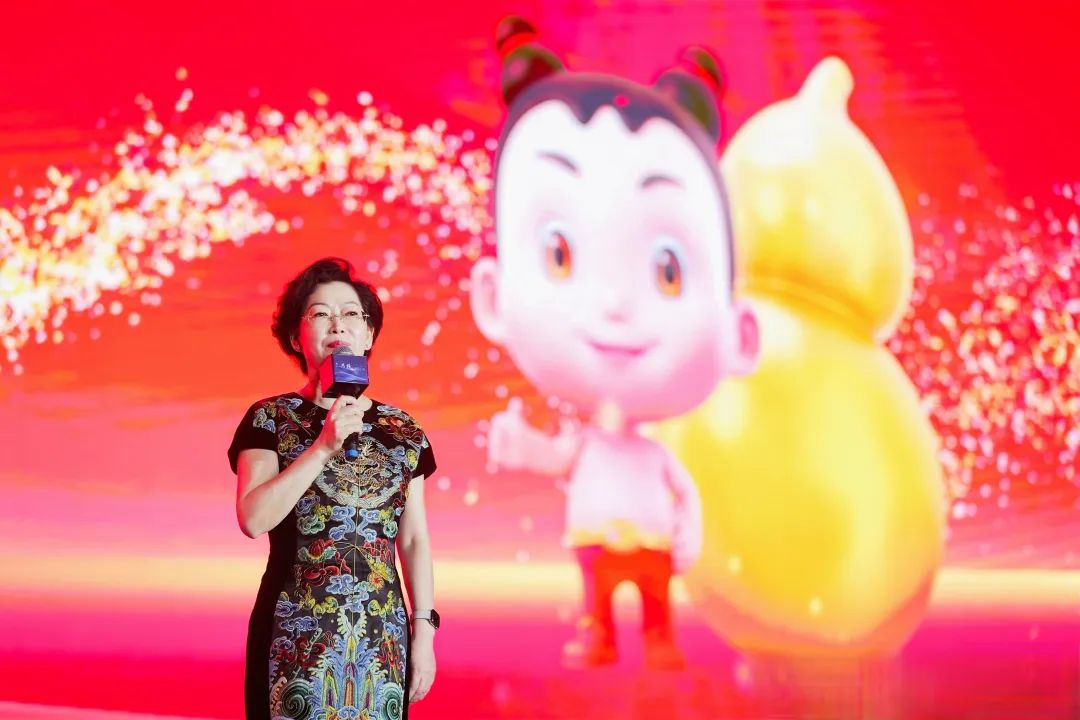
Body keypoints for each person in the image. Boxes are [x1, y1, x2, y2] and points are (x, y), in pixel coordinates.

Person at [470, 18, 759, 670]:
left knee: (655, 608)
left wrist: (690, 533)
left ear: (740, 334)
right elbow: (559, 457)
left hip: (652, 546)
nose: (613, 305)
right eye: (560, 255)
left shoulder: (655, 455)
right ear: (492, 297)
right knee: (597, 602)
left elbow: (684, 492)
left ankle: (657, 640)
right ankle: (600, 636)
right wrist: (525, 449)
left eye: (668, 271)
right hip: (596, 542)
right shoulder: (590, 444)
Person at [228, 257, 439, 720]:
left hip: (382, 641)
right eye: (320, 313)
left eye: (350, 314)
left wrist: (423, 631)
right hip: (295, 636)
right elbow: (253, 518)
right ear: (295, 337)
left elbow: (413, 539)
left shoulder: (404, 430)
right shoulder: (270, 418)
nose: (337, 324)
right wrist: (323, 447)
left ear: (369, 335)